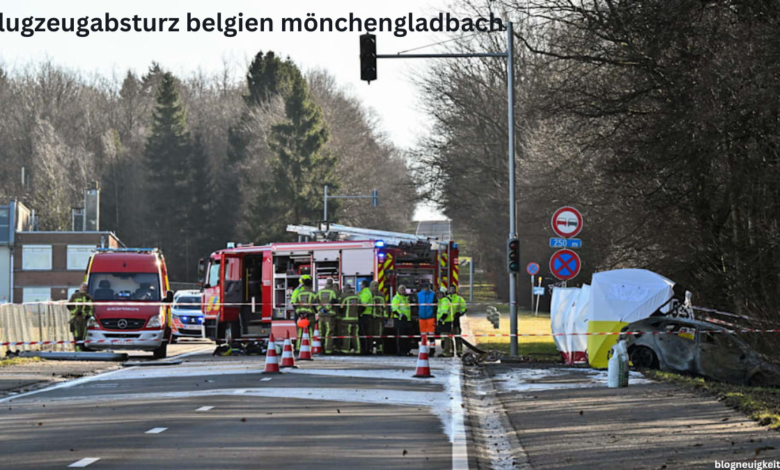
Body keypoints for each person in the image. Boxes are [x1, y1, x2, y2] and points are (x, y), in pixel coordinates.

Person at [67, 282, 94, 352]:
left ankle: (82, 350)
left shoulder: (89, 297)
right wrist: (76, 312)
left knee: (83, 336)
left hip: (84, 320)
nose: (84, 288)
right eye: (83, 287)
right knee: (77, 335)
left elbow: (92, 308)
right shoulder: (75, 296)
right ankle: (78, 350)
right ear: (80, 287)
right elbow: (69, 306)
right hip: (76, 319)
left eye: (86, 287)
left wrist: (88, 315)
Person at [317, 279, 340, 355]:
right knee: (329, 333)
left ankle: (320, 348)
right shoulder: (333, 292)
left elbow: (315, 302)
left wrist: (320, 309)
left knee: (321, 332)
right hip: (330, 315)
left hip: (321, 315)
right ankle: (328, 350)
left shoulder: (320, 291)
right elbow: (335, 301)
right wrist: (327, 309)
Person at [293, 276, 316, 351]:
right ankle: (312, 348)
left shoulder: (299, 293)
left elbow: (295, 305)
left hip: (300, 316)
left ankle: (298, 348)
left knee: (300, 333)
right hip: (310, 316)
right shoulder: (313, 294)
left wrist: (300, 313)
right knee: (311, 333)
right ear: (310, 284)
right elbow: (316, 305)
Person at [339, 285, 361, 354]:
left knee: (347, 335)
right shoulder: (357, 297)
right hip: (355, 319)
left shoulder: (344, 296)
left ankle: (345, 350)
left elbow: (340, 308)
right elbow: (361, 307)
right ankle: (358, 350)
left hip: (346, 319)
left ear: (345, 289)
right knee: (355, 335)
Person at [417, 283, 436, 356]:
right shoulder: (418, 295)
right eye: (424, 287)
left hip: (430, 317)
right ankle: (423, 350)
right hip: (422, 317)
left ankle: (432, 350)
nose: (426, 288)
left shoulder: (433, 294)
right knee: (423, 335)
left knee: (431, 334)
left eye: (427, 287)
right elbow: (416, 305)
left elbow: (435, 305)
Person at [392, 285, 412, 356]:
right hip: (400, 320)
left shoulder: (406, 298)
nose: (403, 291)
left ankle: (407, 351)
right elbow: (394, 310)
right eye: (401, 290)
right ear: (398, 291)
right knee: (401, 337)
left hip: (407, 320)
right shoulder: (396, 298)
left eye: (404, 290)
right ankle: (400, 351)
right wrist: (402, 316)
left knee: (407, 337)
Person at [448, 285, 467, 356]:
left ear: (455, 290)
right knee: (449, 338)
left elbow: (464, 307)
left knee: (457, 337)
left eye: (453, 289)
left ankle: (459, 351)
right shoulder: (446, 299)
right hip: (448, 321)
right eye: (450, 289)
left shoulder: (459, 299)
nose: (451, 290)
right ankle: (451, 351)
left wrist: (459, 313)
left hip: (456, 321)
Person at [437, 290, 455, 357]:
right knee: (445, 337)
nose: (439, 295)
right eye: (438, 294)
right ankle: (447, 351)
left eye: (440, 294)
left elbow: (445, 312)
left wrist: (441, 320)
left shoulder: (445, 301)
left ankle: (447, 352)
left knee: (446, 338)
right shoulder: (442, 301)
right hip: (444, 322)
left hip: (445, 322)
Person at [358, 280, 373, 355]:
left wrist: (358, 313)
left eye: (361, 285)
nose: (360, 286)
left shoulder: (365, 293)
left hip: (364, 315)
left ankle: (365, 349)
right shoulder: (365, 293)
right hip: (366, 315)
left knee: (363, 333)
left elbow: (363, 306)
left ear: (363, 285)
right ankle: (366, 348)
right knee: (365, 333)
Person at [370, 281, 385, 354]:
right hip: (370, 317)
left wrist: (385, 315)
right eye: (374, 286)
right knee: (370, 333)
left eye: (377, 286)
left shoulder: (381, 295)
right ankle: (370, 348)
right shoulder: (369, 294)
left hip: (379, 317)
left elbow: (384, 306)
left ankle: (379, 349)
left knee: (379, 333)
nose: (376, 287)